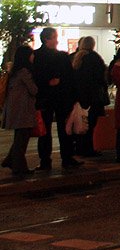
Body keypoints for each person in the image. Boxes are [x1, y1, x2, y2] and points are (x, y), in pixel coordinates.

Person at [33, 27, 80, 170]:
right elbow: (70, 78)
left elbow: (35, 76)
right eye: (54, 37)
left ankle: (46, 160)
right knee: (61, 128)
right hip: (58, 97)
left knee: (47, 130)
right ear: (47, 39)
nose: (56, 40)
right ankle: (65, 158)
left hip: (47, 97)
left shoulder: (37, 56)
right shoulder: (61, 56)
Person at [1, 45, 38, 177]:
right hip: (23, 110)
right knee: (22, 139)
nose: (33, 57)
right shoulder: (24, 72)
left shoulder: (14, 71)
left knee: (20, 137)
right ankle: (19, 167)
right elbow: (33, 90)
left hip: (15, 110)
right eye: (32, 54)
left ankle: (10, 160)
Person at [71, 36, 109, 157]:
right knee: (90, 124)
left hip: (79, 97)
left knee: (79, 122)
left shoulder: (75, 57)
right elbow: (101, 77)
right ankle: (88, 148)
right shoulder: (94, 58)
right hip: (93, 97)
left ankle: (78, 147)